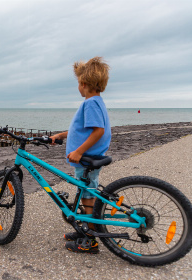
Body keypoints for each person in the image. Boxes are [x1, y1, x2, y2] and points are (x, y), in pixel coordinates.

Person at [50, 57, 111, 254]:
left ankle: (90, 240)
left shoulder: (90, 103)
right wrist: (61, 135)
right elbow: (84, 130)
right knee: (84, 193)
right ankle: (83, 229)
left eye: (78, 83)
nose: (78, 86)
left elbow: (98, 131)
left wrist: (78, 151)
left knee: (87, 197)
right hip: (88, 158)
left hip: (86, 159)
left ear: (83, 84)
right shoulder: (96, 101)